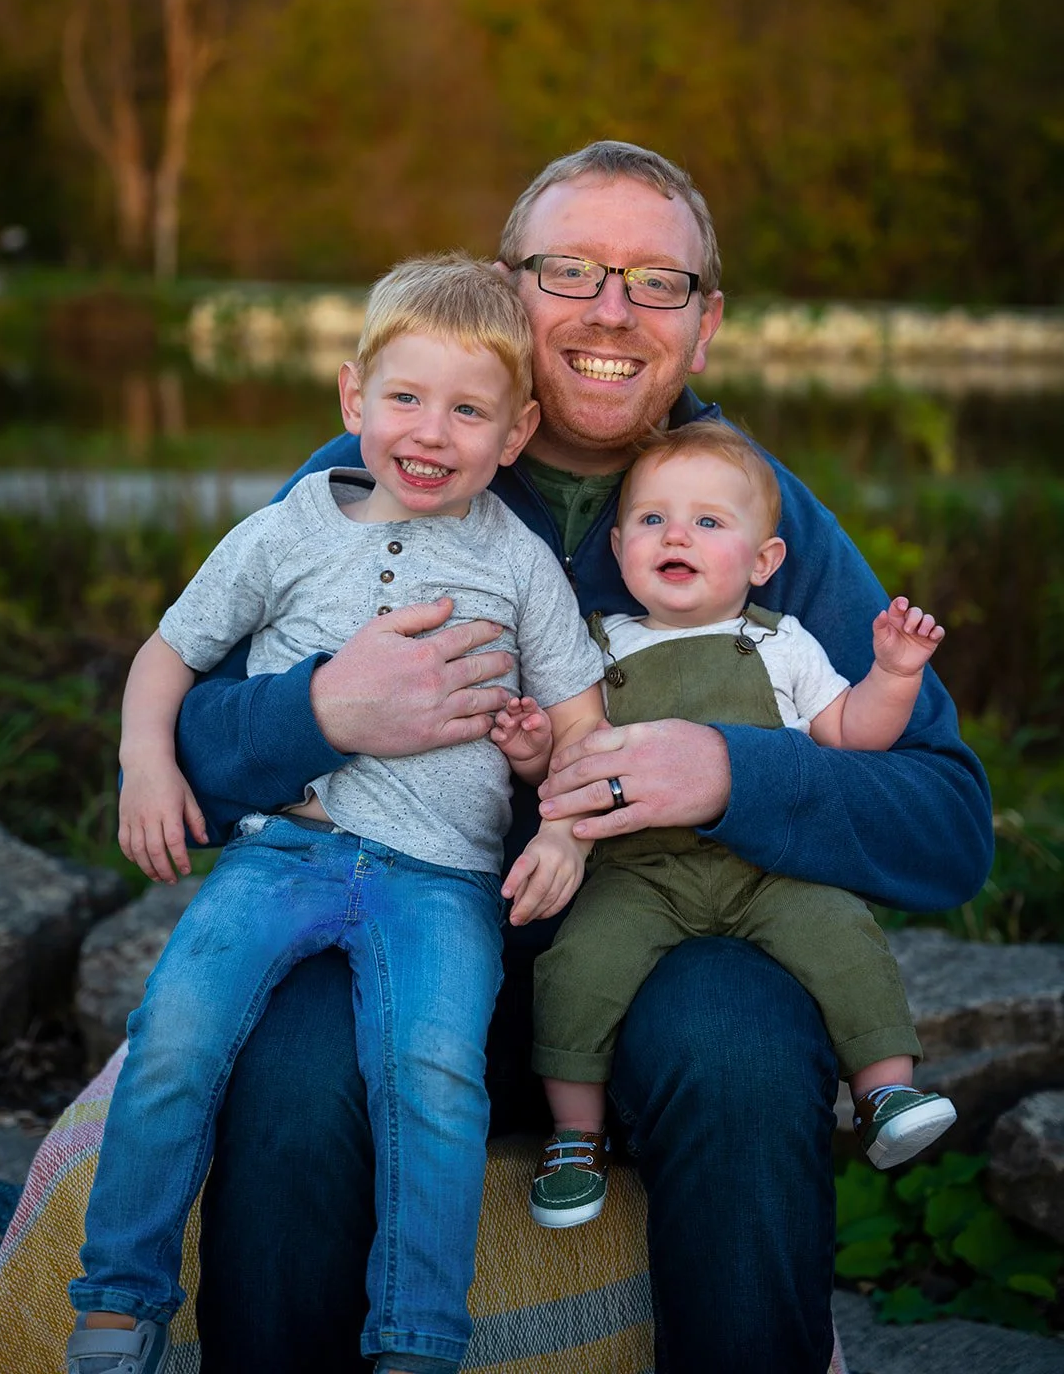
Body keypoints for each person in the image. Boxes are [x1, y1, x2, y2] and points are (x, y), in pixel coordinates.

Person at [174, 141, 994, 1374]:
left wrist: (733, 772)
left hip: (656, 957)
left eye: (656, 281)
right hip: (386, 928)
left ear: (703, 326)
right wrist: (319, 709)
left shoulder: (755, 515)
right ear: (508, 293)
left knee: (743, 1038)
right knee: (291, 1069)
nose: (612, 309)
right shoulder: (369, 479)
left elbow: (946, 822)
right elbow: (182, 746)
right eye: (570, 270)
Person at [65, 256, 605, 1374]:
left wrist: (557, 821)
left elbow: (582, 721)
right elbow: (170, 653)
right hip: (285, 854)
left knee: (433, 1076)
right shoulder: (290, 530)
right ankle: (118, 1304)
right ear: (353, 397)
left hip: (440, 882)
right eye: (405, 398)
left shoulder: (521, 564)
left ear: (514, 435)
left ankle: (416, 1337)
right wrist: (146, 767)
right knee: (174, 1035)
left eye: (467, 410)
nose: (429, 430)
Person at [494, 420, 957, 1231]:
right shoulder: (596, 649)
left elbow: (850, 735)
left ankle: (884, 1087)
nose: (677, 535)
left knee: (840, 932)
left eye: (708, 522)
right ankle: (575, 1137)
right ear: (619, 546)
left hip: (764, 872)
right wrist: (533, 749)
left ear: (763, 560)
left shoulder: (778, 644)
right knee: (576, 968)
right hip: (637, 874)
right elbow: (568, 761)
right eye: (652, 520)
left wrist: (890, 675)